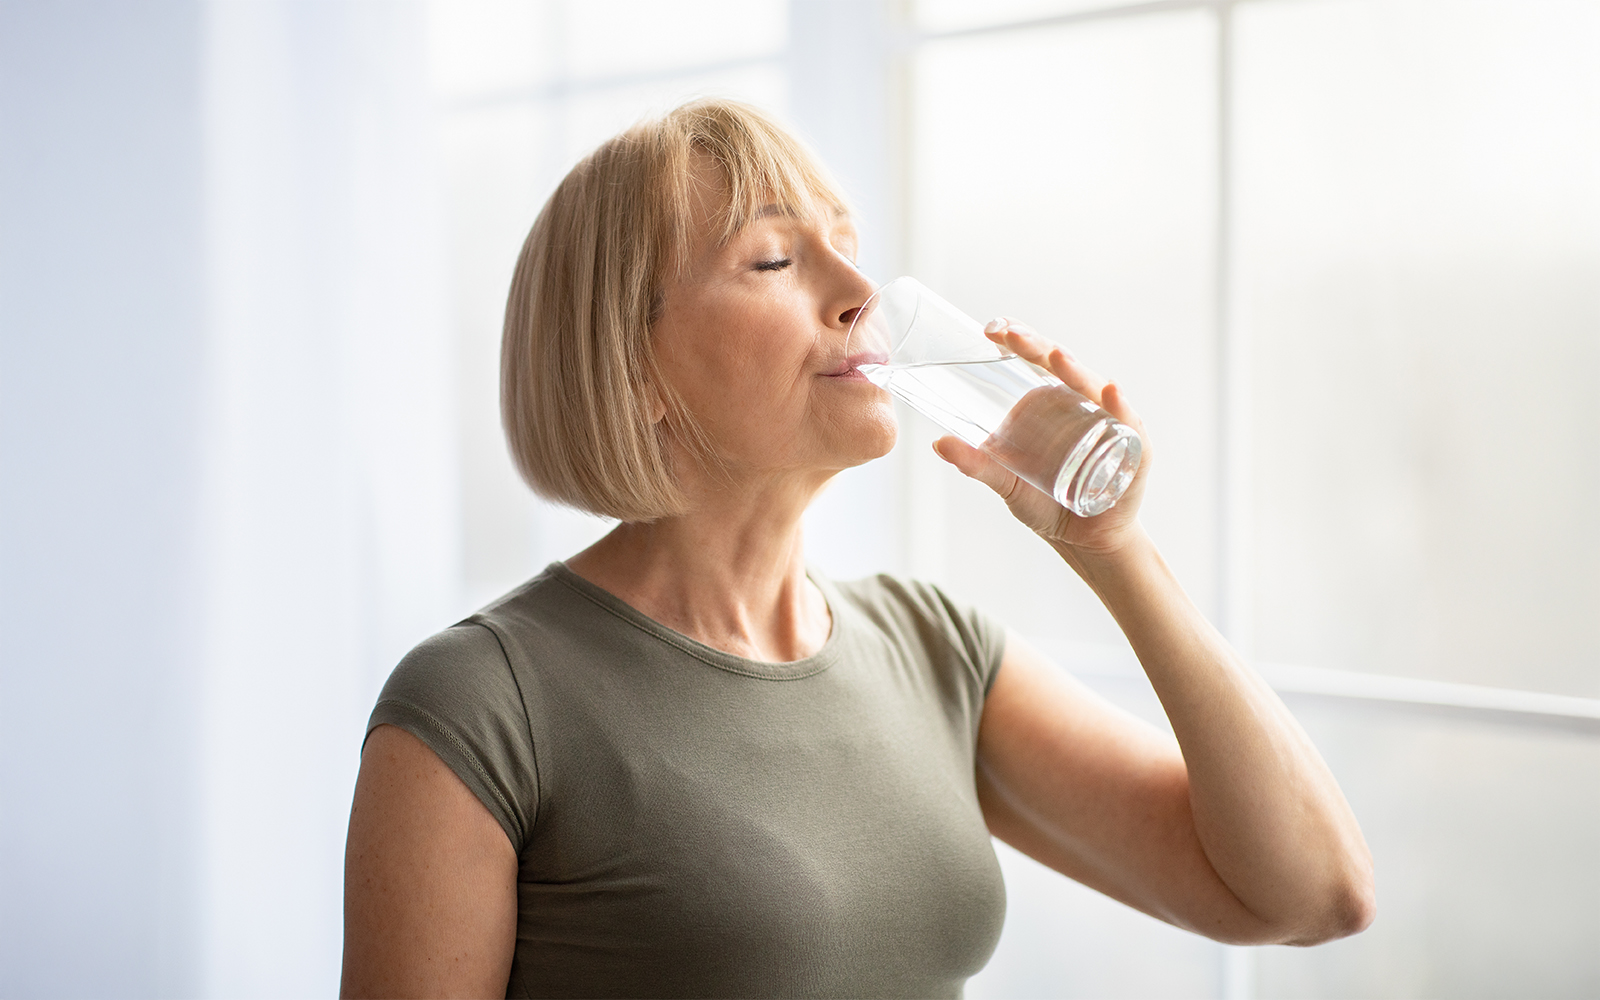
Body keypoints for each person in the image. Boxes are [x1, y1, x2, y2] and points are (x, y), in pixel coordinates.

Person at [340, 99, 1374, 999]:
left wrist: (1115, 551)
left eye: (847, 245)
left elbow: (1310, 894)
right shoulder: (481, 704)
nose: (860, 294)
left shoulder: (933, 649)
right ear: (635, 369)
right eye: (776, 260)